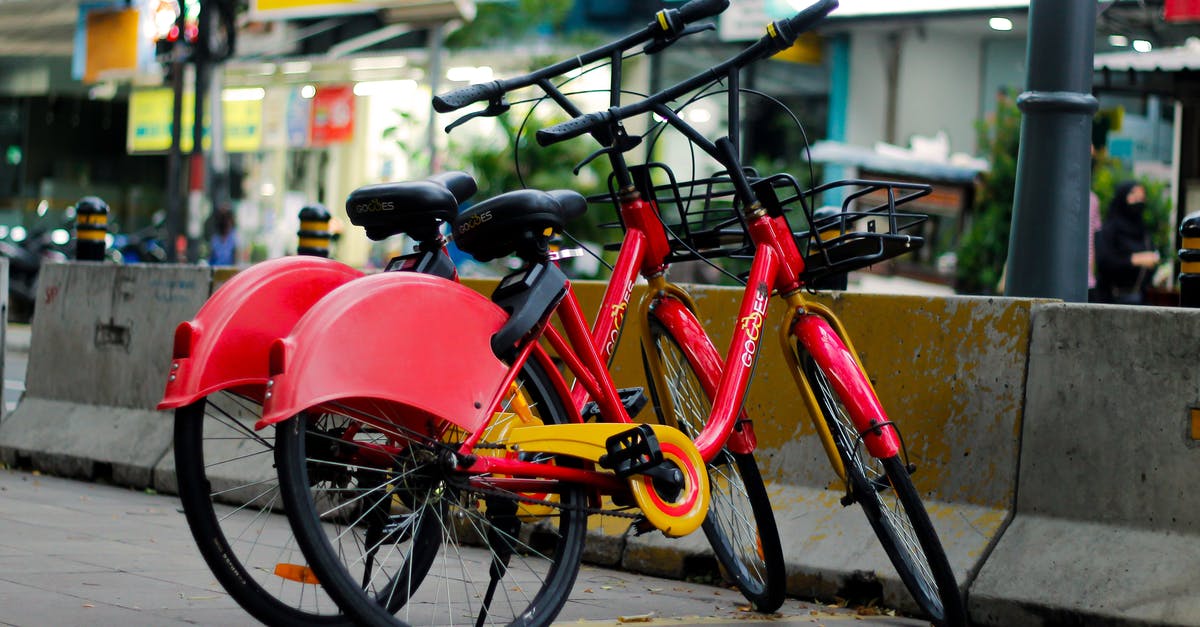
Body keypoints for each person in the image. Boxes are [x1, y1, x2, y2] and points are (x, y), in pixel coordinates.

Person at [1094, 181, 1159, 305]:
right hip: (1110, 301)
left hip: (1139, 301)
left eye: (1141, 197)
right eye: (1133, 195)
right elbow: (1104, 261)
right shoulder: (1110, 230)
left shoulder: (1143, 231)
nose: (1138, 201)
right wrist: (1135, 259)